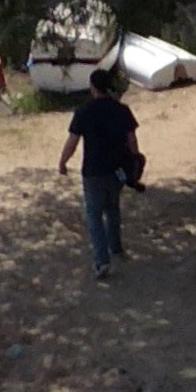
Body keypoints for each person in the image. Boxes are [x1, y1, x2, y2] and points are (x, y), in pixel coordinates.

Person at [59, 60, 145, 279]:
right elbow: (132, 141)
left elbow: (72, 142)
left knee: (94, 215)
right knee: (113, 209)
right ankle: (116, 248)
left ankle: (101, 261)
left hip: (93, 171)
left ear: (92, 87)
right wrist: (134, 164)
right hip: (117, 169)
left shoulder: (84, 111)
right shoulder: (122, 110)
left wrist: (63, 162)